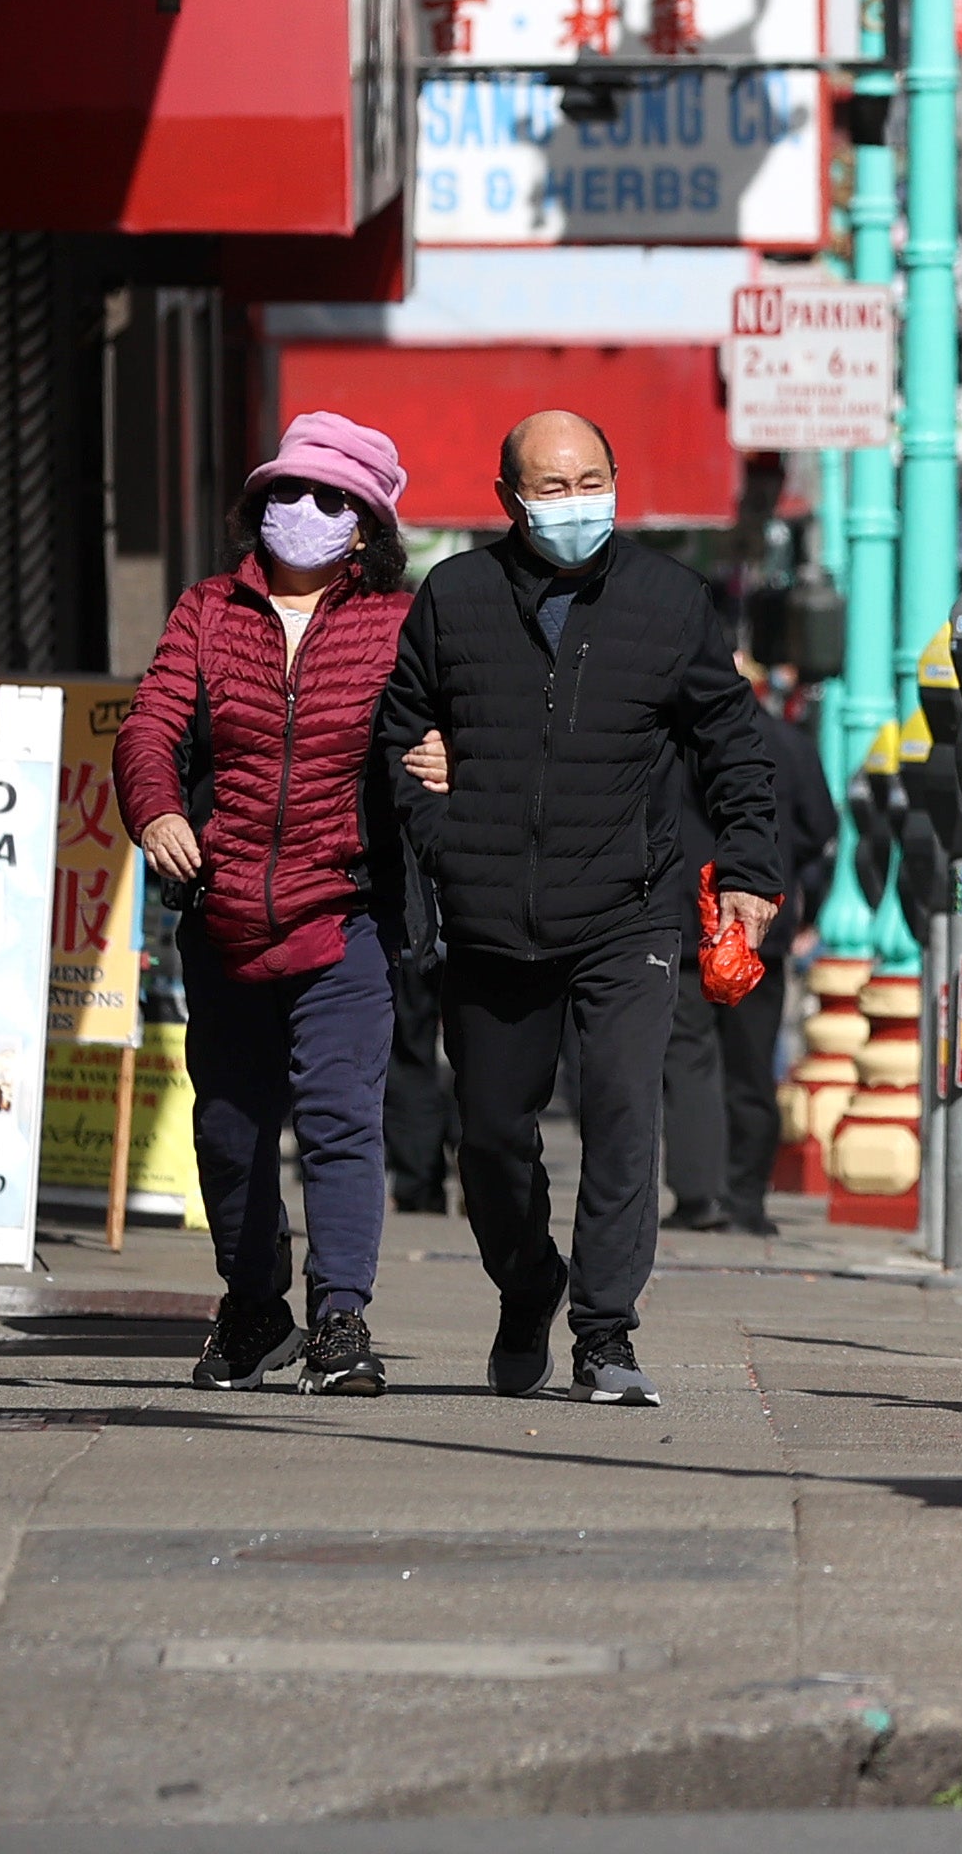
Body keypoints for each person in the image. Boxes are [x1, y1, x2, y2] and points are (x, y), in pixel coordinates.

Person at [375, 409, 798, 1406]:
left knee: (620, 1118)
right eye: (551, 488)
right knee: (488, 1139)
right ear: (507, 499)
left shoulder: (671, 601)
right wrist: (440, 828)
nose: (575, 503)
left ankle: (605, 1336)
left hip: (629, 909)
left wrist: (748, 867)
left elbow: (733, 743)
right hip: (489, 916)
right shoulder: (455, 597)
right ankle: (528, 1289)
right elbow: (400, 736)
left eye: (590, 480)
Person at [119, 410, 419, 1397]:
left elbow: (444, 730)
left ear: (366, 525)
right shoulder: (209, 609)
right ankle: (254, 1309)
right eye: (287, 492)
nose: (303, 510)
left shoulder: (401, 622)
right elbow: (149, 727)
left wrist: (445, 758)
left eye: (329, 498)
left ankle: (342, 1321)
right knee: (229, 1131)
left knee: (340, 1120)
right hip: (223, 914)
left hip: (346, 917)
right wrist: (158, 811)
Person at [661, 631, 834, 1236]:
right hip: (763, 926)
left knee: (689, 1060)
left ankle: (696, 1194)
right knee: (752, 1063)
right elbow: (821, 828)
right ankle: (746, 1197)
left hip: (688, 924)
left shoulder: (678, 746)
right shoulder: (789, 745)